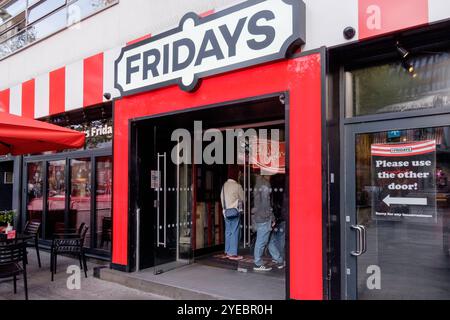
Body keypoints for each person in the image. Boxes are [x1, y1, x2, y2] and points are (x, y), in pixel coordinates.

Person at [252, 175, 284, 271]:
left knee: (270, 240)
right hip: (264, 218)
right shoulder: (265, 185)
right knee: (262, 241)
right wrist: (272, 217)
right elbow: (266, 204)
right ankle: (258, 263)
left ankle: (278, 259)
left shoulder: (258, 184)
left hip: (260, 216)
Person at [220, 166, 244, 260]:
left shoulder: (224, 185)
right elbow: (243, 198)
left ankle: (227, 251)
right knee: (234, 231)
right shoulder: (237, 186)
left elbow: (221, 197)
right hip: (234, 211)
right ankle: (233, 254)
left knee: (228, 232)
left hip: (225, 212)